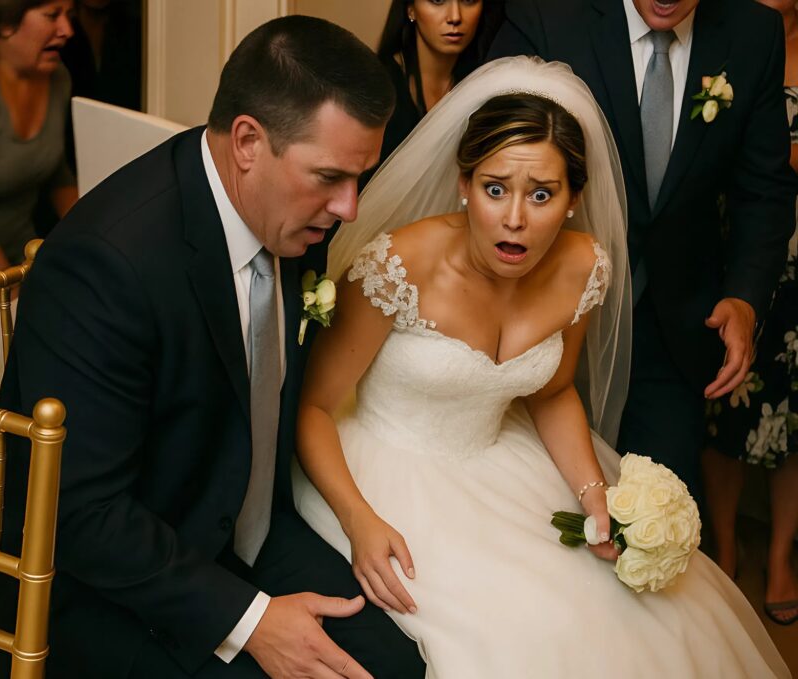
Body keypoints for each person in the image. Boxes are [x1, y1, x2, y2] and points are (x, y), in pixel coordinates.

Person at [291, 56, 789, 678]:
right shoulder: (398, 265)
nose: (515, 219)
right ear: (464, 184)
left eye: (542, 194)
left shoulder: (584, 267)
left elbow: (552, 393)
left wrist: (595, 496)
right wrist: (360, 520)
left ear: (575, 199)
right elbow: (313, 407)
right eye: (495, 188)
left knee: (639, 617)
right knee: (514, 636)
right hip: (379, 473)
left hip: (503, 462)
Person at [0, 15, 425, 679]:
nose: (349, 208)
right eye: (329, 176)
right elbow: (83, 517)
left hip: (241, 523)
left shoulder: (292, 217)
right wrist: (251, 620)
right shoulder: (107, 264)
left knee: (398, 667)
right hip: (117, 585)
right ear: (248, 141)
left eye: (358, 178)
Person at [487, 0, 797, 502]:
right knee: (539, 503)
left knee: (662, 510)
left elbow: (764, 189)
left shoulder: (752, 34)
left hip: (673, 325)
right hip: (544, 312)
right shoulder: (548, 17)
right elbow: (492, 157)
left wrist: (744, 296)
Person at [702, 0, 798, 627]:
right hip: (736, 250)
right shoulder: (728, 29)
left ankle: (782, 556)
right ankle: (726, 545)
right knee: (726, 405)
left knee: (795, 414)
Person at [375, 0, 504, 165]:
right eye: (437, 1)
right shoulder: (379, 83)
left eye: (468, 0)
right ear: (410, 9)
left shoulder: (488, 87)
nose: (455, 17)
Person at [0, 0, 78, 267]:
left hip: (24, 256)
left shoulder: (59, 77)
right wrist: (13, 286)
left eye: (69, 15)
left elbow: (56, 171)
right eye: (52, 15)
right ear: (5, 22)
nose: (67, 30)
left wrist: (96, 235)